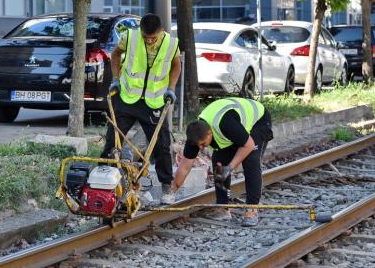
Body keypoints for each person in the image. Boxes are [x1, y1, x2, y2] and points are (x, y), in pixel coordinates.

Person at [101, 13, 181, 204]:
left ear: (160, 31)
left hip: (154, 102)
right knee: (112, 141)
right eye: (146, 37)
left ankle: (167, 188)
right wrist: (115, 79)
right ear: (141, 31)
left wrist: (170, 89)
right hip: (128, 98)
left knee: (162, 146)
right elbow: (115, 54)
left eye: (153, 37)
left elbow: (176, 65)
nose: (149, 40)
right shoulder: (130, 37)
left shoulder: (170, 43)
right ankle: (104, 184)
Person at [171, 97, 273, 226]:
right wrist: (171, 191)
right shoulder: (195, 136)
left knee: (250, 162)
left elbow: (248, 145)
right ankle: (223, 208)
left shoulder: (226, 124)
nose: (202, 148)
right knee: (219, 163)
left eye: (203, 144)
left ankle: (252, 210)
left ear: (210, 133)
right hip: (234, 128)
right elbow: (184, 166)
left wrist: (230, 167)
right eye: (199, 146)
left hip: (258, 122)